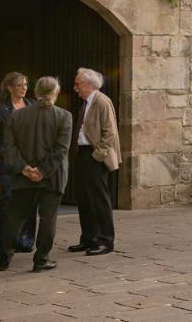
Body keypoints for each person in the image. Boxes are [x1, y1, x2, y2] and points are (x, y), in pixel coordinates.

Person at [0, 76, 71, 272]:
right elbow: (61, 150)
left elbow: (8, 147)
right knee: (48, 219)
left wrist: (24, 168)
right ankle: (41, 260)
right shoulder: (64, 116)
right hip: (52, 176)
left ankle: (4, 259)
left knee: (14, 218)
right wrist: (42, 171)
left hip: (23, 176)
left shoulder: (17, 115)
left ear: (35, 92)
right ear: (57, 92)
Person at [67, 67, 120, 256]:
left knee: (99, 200)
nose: (75, 88)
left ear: (89, 84)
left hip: (95, 156)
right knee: (84, 200)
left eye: (78, 84)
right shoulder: (86, 103)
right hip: (81, 154)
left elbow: (110, 133)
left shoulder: (102, 102)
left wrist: (97, 155)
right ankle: (89, 239)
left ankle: (106, 241)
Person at [0, 72, 37, 257]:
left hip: (29, 162)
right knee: (7, 203)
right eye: (19, 85)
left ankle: (24, 241)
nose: (24, 88)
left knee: (29, 202)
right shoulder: (0, 109)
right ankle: (3, 244)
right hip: (8, 161)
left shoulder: (32, 105)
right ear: (10, 88)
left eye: (26, 84)